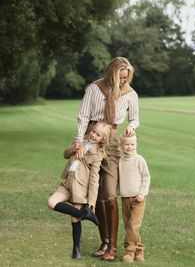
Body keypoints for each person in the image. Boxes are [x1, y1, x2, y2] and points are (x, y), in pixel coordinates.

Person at [75, 57, 139, 261]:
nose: (123, 82)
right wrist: (79, 141)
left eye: (126, 78)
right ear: (112, 73)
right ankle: (104, 244)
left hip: (111, 142)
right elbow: (83, 115)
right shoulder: (94, 88)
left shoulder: (130, 94)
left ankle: (112, 247)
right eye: (120, 77)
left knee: (110, 194)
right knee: (93, 194)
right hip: (92, 139)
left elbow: (134, 118)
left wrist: (132, 126)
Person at [47, 122, 112, 259]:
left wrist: (91, 202)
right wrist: (75, 147)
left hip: (80, 187)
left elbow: (94, 180)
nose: (93, 135)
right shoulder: (80, 140)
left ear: (102, 139)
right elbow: (65, 154)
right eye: (93, 131)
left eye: (98, 134)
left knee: (74, 218)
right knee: (51, 202)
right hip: (67, 183)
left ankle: (76, 250)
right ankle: (85, 214)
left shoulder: (97, 155)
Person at [119, 134, 150, 262]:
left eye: (132, 144)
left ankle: (129, 251)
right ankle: (139, 250)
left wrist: (142, 193)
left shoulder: (139, 160)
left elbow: (146, 177)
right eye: (126, 144)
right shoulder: (120, 161)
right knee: (129, 226)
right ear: (121, 145)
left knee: (133, 225)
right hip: (125, 198)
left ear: (136, 145)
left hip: (138, 199)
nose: (129, 147)